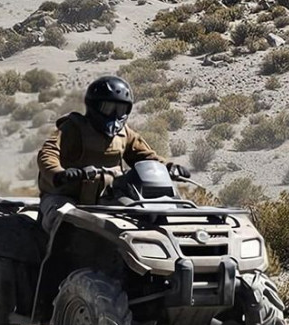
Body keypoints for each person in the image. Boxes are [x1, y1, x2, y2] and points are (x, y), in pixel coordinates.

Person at [36, 75, 190, 231]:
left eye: (121, 109)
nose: (114, 114)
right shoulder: (73, 128)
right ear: (94, 106)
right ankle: (53, 254)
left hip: (107, 196)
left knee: (141, 217)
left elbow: (146, 156)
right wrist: (59, 174)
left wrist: (168, 167)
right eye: (108, 108)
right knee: (63, 219)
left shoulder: (124, 133)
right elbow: (48, 153)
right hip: (67, 196)